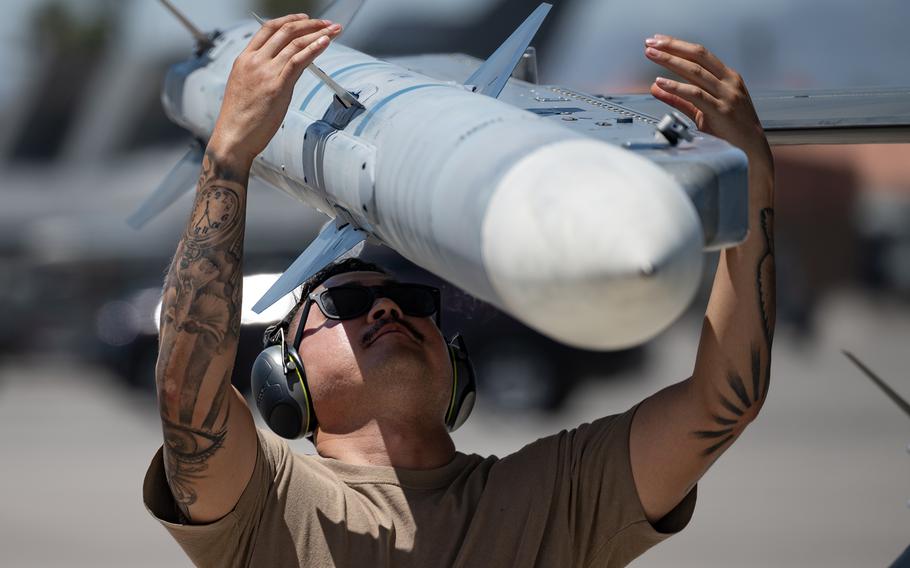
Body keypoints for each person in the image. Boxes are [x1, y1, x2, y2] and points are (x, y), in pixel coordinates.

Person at [142, 14, 776, 568]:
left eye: (417, 303)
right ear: (285, 375)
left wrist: (748, 176)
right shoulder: (267, 509)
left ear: (457, 371)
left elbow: (722, 403)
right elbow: (187, 391)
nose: (389, 304)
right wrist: (228, 155)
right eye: (344, 303)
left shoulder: (555, 500)